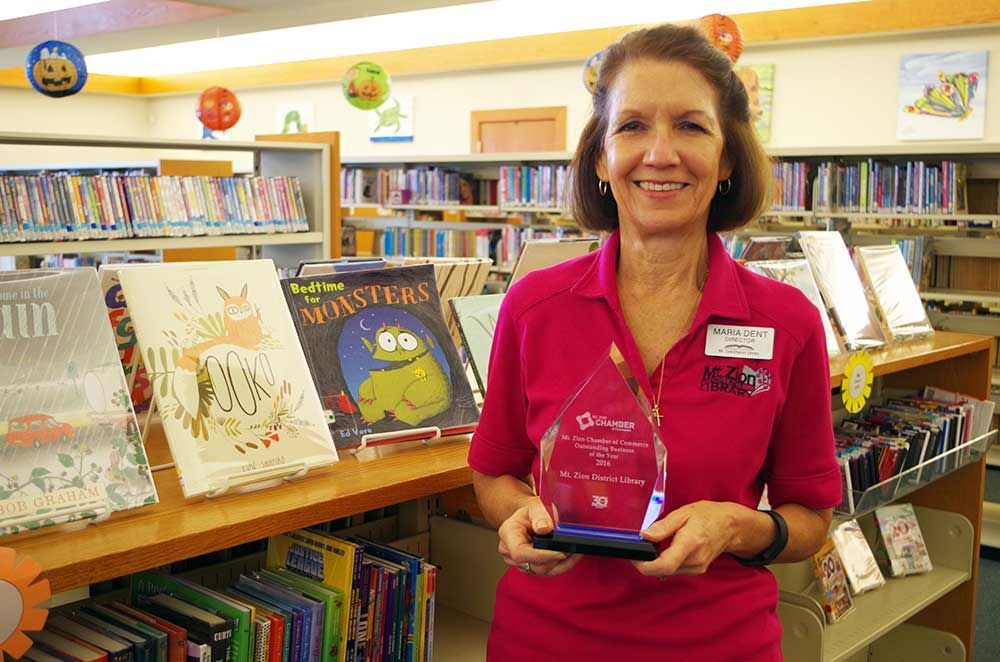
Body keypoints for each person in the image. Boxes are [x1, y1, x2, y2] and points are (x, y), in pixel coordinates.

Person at [468, 23, 841, 661]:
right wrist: (517, 514)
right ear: (600, 157)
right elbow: (491, 472)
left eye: (691, 126)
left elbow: (810, 520)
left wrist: (734, 527)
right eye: (632, 126)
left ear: (727, 160)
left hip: (720, 645)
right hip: (544, 641)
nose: (660, 153)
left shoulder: (786, 322)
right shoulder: (534, 307)